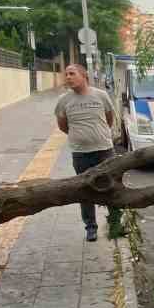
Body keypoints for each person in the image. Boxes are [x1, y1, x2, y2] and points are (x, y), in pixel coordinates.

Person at [55, 63, 120, 241]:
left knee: (111, 186)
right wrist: (79, 136)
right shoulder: (64, 100)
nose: (68, 77)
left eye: (72, 73)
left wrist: (98, 134)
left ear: (84, 75)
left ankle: (116, 224)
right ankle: (91, 227)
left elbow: (109, 118)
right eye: (66, 74)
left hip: (104, 150)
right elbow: (62, 125)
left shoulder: (100, 95)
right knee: (85, 191)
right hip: (81, 153)